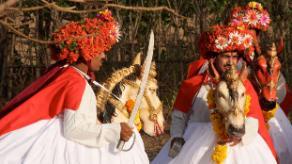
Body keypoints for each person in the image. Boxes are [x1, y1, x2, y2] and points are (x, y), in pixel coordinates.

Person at [0, 10, 149, 164]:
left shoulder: (70, 75)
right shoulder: (75, 82)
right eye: (101, 51)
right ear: (88, 51)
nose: (105, 56)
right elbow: (73, 128)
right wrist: (115, 131)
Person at [152, 25, 277, 164]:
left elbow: (254, 118)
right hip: (196, 146)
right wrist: (177, 136)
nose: (231, 62)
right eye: (226, 57)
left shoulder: (245, 85)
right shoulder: (194, 84)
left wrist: (241, 135)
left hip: (240, 147)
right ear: (214, 58)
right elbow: (179, 115)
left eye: (235, 57)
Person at [228, 2, 292, 163]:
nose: (251, 35)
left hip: (264, 108)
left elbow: (276, 85)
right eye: (247, 31)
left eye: (254, 32)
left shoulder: (263, 58)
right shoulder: (231, 59)